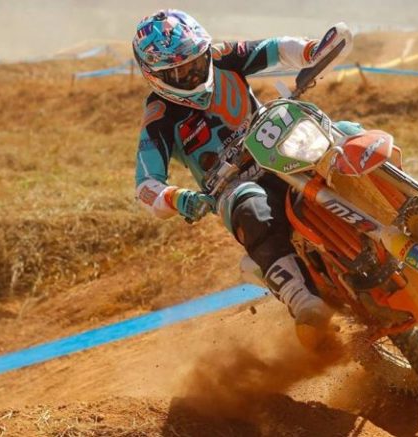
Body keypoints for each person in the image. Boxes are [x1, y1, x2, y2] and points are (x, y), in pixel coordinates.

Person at [132, 10, 355, 331]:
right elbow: (145, 185)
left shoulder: (222, 56)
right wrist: (180, 198)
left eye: (196, 61)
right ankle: (302, 300)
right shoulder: (159, 117)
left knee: (344, 133)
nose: (193, 74)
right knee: (252, 207)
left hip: (277, 146)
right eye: (179, 72)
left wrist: (311, 51)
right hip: (231, 185)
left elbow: (275, 48)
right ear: (155, 75)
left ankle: (406, 201)